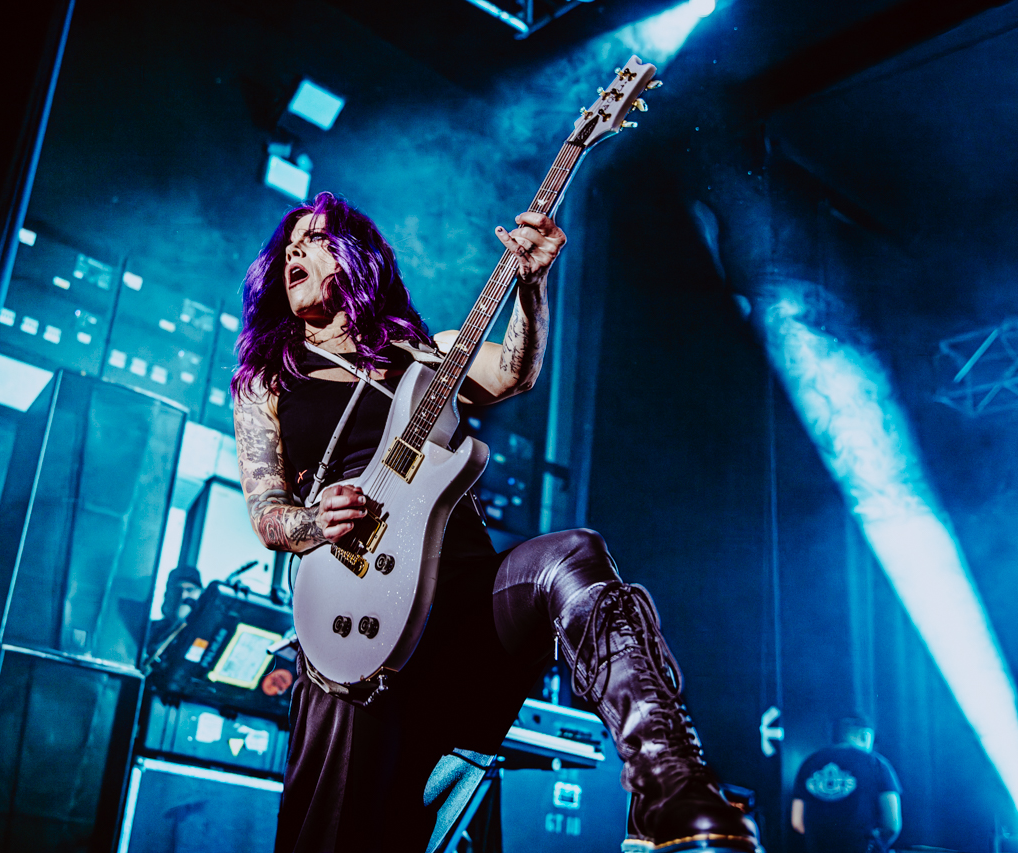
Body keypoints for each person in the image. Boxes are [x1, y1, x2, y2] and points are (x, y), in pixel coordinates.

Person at [231, 191, 760, 853]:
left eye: (314, 239)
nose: (295, 252)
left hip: (462, 602)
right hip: (354, 613)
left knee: (575, 554)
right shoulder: (267, 381)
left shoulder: (427, 355)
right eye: (289, 246)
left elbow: (513, 372)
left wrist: (531, 286)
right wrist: (313, 521)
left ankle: (669, 781)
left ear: (356, 258)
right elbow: (267, 512)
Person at [791, 714, 902, 853]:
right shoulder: (877, 764)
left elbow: (797, 822)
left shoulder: (809, 763)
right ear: (865, 735)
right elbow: (892, 825)